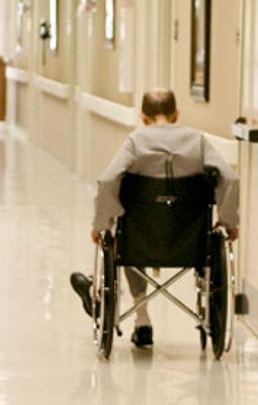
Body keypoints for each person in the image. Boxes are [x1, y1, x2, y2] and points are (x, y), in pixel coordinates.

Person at [70, 88, 239, 348]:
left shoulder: (136, 142)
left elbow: (107, 180)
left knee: (125, 232)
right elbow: (229, 178)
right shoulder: (197, 141)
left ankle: (142, 318)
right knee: (196, 234)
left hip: (139, 241)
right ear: (176, 115)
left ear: (143, 117)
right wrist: (228, 222)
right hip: (191, 242)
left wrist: (101, 224)